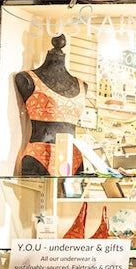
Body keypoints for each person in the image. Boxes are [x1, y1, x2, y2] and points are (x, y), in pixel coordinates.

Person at [15, 35, 86, 176]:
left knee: (71, 198)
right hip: (40, 156)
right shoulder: (28, 79)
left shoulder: (82, 85)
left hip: (74, 157)